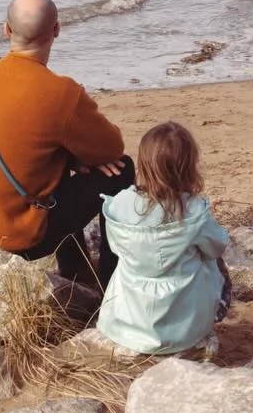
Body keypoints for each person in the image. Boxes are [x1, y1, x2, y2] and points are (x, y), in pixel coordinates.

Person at [0, 0, 134, 291]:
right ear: (56, 30)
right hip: (20, 240)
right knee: (121, 169)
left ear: (6, 29)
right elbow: (112, 148)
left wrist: (72, 157)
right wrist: (79, 157)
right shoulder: (62, 94)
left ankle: (77, 269)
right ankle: (112, 285)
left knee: (57, 160)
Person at [94, 121, 232, 356]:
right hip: (185, 330)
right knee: (214, 261)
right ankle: (207, 316)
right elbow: (218, 245)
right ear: (189, 168)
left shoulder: (120, 204)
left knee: (127, 261)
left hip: (127, 324)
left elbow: (115, 247)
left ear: (143, 165)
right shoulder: (194, 212)